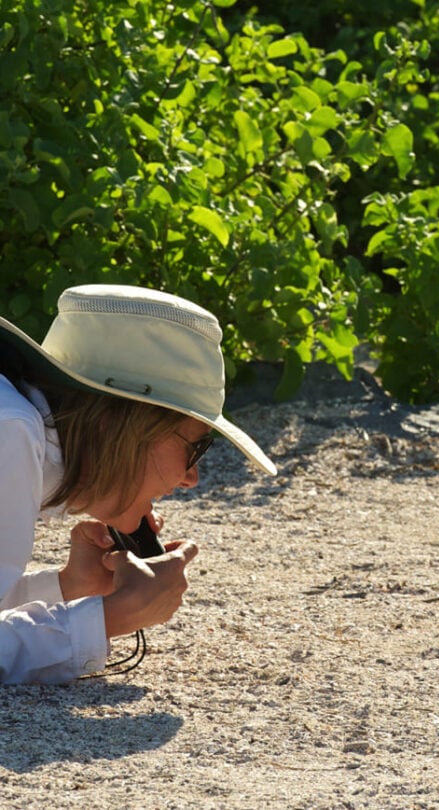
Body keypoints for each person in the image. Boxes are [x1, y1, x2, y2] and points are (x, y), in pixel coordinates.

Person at [0, 283, 276, 684]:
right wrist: (112, 615)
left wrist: (68, 587)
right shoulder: (10, 431)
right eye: (196, 447)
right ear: (121, 425)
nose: (190, 478)